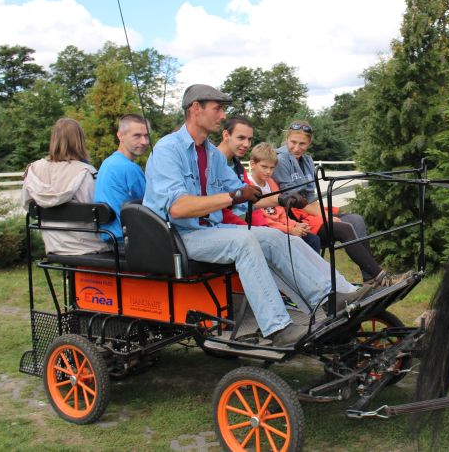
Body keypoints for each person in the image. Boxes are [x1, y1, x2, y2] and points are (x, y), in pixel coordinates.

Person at [143, 84, 358, 347]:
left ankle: (329, 298)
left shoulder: (211, 154)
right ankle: (277, 327)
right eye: (217, 109)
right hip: (178, 236)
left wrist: (280, 198)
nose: (223, 115)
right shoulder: (167, 150)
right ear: (196, 109)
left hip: (210, 230)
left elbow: (243, 194)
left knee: (273, 236)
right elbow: (178, 207)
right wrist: (233, 196)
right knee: (244, 242)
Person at [273, 120, 407, 287]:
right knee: (344, 228)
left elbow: (310, 196)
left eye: (302, 144)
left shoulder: (306, 161)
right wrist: (326, 216)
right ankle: (381, 277)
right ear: (287, 138)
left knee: (356, 219)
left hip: (310, 210)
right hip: (293, 214)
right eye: (293, 142)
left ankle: (370, 278)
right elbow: (294, 200)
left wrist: (325, 214)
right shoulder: (281, 160)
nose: (297, 148)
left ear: (309, 143)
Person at [22, 118, 110, 256]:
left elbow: (27, 205)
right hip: (88, 244)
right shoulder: (86, 172)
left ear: (53, 139)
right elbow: (95, 212)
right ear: (80, 141)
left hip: (53, 243)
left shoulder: (34, 169)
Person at [245, 142, 321, 252]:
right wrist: (290, 230)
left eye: (272, 168)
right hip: (265, 230)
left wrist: (295, 224)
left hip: (281, 228)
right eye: (264, 167)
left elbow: (281, 213)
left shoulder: (272, 183)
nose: (268, 171)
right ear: (253, 164)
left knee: (313, 239)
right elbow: (262, 220)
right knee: (301, 242)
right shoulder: (248, 186)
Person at [94, 114, 150, 242]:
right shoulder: (129, 168)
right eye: (137, 136)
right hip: (128, 240)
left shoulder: (107, 162)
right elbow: (151, 206)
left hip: (108, 237)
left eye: (146, 136)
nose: (144, 142)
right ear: (120, 136)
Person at [216, 116, 268, 226]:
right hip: (224, 229)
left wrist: (264, 226)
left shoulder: (239, 167)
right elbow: (218, 209)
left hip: (243, 227)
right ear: (226, 135)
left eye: (249, 139)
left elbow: (252, 200)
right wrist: (249, 231)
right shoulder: (210, 163)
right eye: (241, 138)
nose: (246, 144)